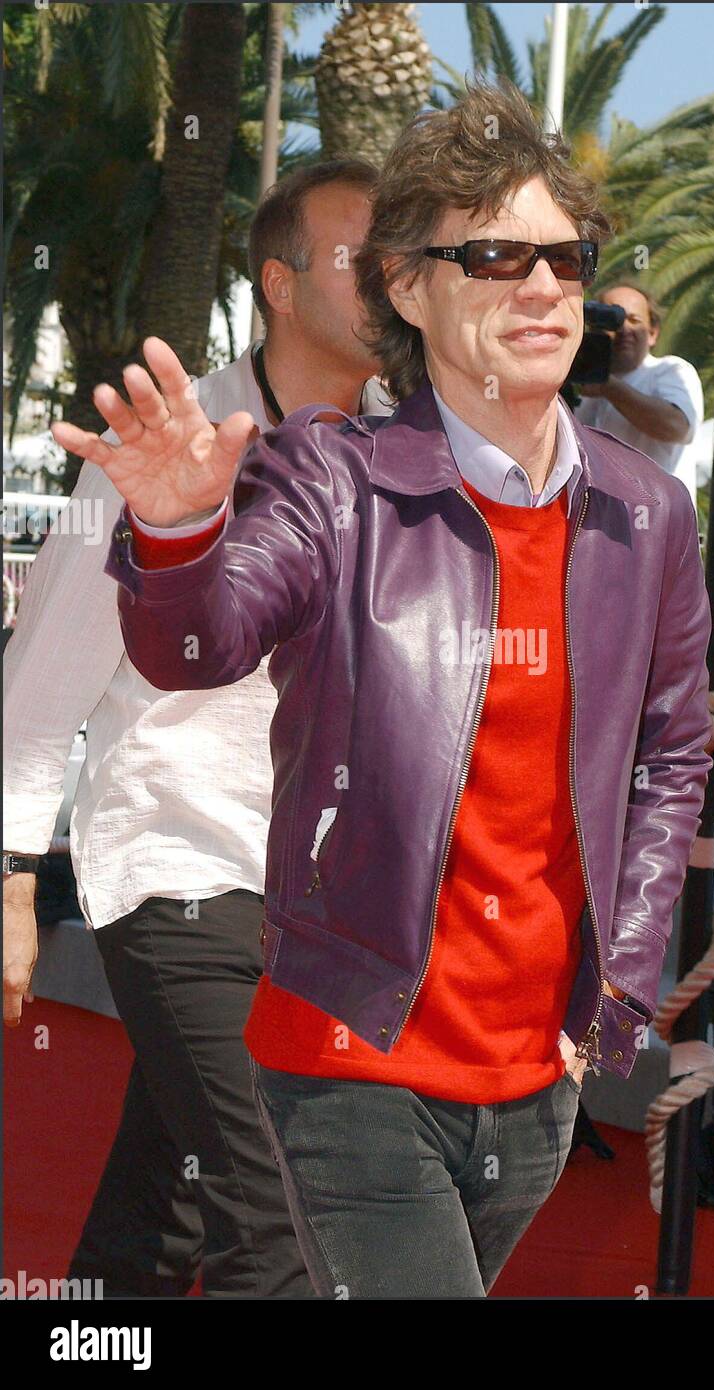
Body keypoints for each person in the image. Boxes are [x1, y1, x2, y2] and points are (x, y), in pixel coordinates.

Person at [65, 79, 714, 1299]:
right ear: (408, 286)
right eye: (493, 256)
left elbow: (670, 756)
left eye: (565, 259)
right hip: (351, 1052)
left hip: (536, 1082)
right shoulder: (332, 475)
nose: (541, 289)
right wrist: (175, 534)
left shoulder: (647, 512)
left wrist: (620, 986)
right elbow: (194, 648)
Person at [3, 158, 392, 1298]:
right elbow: (41, 684)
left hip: (320, 894)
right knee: (281, 1216)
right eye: (357, 254)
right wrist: (12, 877)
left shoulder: (402, 452)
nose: (390, 277)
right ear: (279, 281)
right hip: (176, 867)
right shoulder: (162, 442)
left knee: (161, 1210)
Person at [573, 278, 704, 510]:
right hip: (592, 529)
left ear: (653, 333)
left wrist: (608, 387)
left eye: (634, 320)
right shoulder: (576, 382)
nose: (624, 329)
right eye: (613, 320)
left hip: (655, 529)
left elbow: (677, 427)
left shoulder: (670, 370)